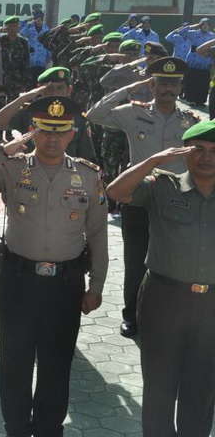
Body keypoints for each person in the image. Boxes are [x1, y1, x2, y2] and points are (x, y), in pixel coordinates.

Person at [0, 96, 108, 437]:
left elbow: (98, 233)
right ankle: (16, 428)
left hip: (65, 284)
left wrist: (97, 285)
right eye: (44, 130)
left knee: (57, 362)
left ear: (72, 133)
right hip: (18, 280)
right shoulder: (12, 167)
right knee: (15, 362)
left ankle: (49, 428)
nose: (52, 139)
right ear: (32, 131)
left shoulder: (87, 175)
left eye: (60, 131)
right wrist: (1, 152)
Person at [107, 119, 215, 437]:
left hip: (212, 306)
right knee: (159, 386)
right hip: (164, 298)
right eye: (198, 149)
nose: (206, 157)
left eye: (214, 151)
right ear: (184, 152)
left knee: (203, 388)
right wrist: (152, 161)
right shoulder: (162, 186)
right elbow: (116, 191)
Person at [86, 57, 200, 338]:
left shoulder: (191, 120)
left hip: (177, 200)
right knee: (136, 260)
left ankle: (168, 318)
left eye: (173, 83)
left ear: (180, 86)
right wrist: (130, 87)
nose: (168, 89)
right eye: (162, 83)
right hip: (138, 196)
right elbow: (95, 114)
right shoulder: (133, 113)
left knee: (175, 260)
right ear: (152, 85)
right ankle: (132, 316)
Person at [0, 66, 96, 161]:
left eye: (60, 88)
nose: (54, 93)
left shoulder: (78, 117)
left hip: (67, 172)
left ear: (69, 90)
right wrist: (24, 97)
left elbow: (86, 155)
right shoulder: (30, 112)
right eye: (49, 88)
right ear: (39, 89)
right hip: (32, 170)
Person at [0, 16, 32, 111]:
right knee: (0, 105)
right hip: (1, 79)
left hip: (17, 80)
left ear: (18, 27)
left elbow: (26, 62)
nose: (12, 29)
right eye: (10, 26)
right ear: (5, 28)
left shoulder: (23, 42)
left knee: (15, 106)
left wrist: (26, 82)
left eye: (15, 26)